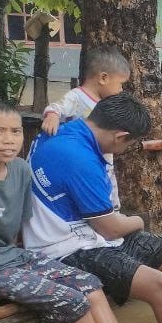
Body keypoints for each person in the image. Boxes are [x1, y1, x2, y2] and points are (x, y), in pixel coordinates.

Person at [25, 93, 162, 323]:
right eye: (128, 144)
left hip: (89, 234)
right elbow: (111, 229)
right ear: (121, 137)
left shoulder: (68, 130)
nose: (125, 149)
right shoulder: (81, 160)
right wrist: (138, 220)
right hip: (65, 249)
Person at [0, 101, 118, 323]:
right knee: (70, 300)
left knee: (90, 284)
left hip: (13, 258)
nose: (9, 139)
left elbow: (20, 229)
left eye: (15, 131)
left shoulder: (20, 169)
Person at [39, 46, 131, 210]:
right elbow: (57, 107)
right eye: (120, 84)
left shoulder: (106, 103)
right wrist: (52, 116)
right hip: (82, 159)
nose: (121, 90)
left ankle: (112, 214)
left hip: (104, 158)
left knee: (109, 187)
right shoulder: (77, 96)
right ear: (103, 78)